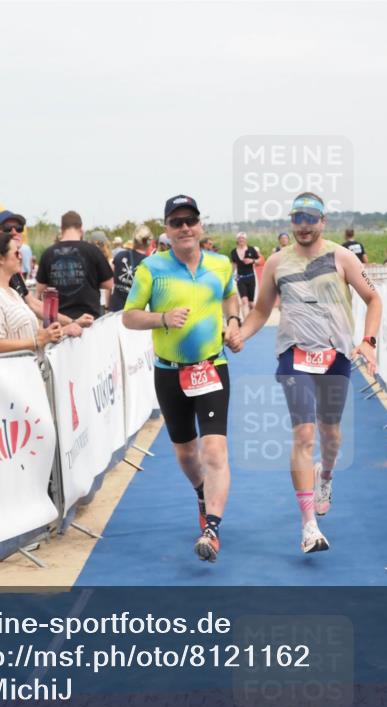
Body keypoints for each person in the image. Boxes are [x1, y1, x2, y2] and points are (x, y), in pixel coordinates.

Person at [239, 192, 381, 554]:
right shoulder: (277, 262)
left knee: (330, 434)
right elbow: (261, 310)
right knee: (303, 433)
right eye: (298, 218)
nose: (304, 225)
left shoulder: (342, 257)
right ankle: (308, 526)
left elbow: (374, 298)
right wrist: (241, 333)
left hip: (335, 356)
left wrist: (369, 341)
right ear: (291, 222)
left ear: (323, 221)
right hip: (294, 355)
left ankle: (325, 475)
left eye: (311, 218)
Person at [122, 195, 241, 564]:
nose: (185, 227)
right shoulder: (151, 269)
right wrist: (162, 318)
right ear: (167, 230)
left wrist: (233, 321)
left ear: (200, 225)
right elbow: (129, 316)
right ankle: (202, 494)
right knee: (187, 454)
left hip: (211, 366)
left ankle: (212, 529)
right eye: (177, 222)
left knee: (214, 450)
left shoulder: (220, 264)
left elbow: (230, 296)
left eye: (191, 220)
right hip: (170, 372)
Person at [0, 209, 94, 329]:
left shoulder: (13, 272)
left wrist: (73, 322)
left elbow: (33, 303)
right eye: (7, 228)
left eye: (19, 228)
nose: (14, 232)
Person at [0, 232, 66, 356]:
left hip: (26, 366)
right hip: (4, 369)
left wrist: (55, 332)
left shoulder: (13, 293)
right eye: (16, 253)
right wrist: (37, 341)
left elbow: (29, 335)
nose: (20, 257)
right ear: (0, 259)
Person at [35, 211, 114, 321]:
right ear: (81, 230)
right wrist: (90, 281)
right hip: (89, 320)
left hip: (59, 321)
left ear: (62, 229)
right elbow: (109, 284)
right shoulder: (93, 251)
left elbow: (40, 289)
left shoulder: (48, 253)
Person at [109, 225, 152, 312]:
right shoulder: (149, 263)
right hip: (135, 311)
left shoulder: (120, 255)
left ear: (134, 240)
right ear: (149, 242)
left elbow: (110, 282)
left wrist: (107, 305)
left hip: (115, 307)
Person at [230, 232, 261, 317]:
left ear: (246, 240)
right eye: (239, 238)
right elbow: (234, 265)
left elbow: (260, 260)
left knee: (251, 303)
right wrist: (231, 276)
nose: (241, 240)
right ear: (237, 240)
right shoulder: (233, 252)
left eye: (243, 238)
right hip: (240, 278)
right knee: (244, 301)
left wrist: (252, 261)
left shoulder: (251, 249)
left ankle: (253, 320)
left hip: (251, 278)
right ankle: (246, 322)